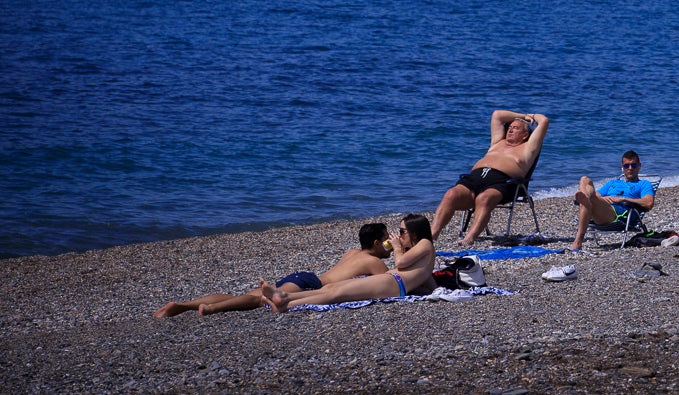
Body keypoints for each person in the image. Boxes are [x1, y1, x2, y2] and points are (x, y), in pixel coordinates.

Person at [152, 223, 392, 318]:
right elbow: (390, 283)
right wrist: (400, 251)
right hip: (310, 285)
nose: (389, 243)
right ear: (375, 244)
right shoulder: (374, 262)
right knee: (259, 301)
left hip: (303, 276)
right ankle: (211, 308)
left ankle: (183, 305)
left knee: (246, 297)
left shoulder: (352, 252)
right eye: (386, 240)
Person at [262, 213, 436, 312]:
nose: (398, 235)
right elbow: (426, 278)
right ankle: (285, 297)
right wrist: (431, 289)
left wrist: (397, 248)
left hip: (393, 283)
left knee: (337, 294)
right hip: (392, 282)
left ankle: (287, 305)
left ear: (414, 233)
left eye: (402, 231)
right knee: (331, 289)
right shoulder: (420, 251)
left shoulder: (425, 243)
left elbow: (402, 262)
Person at [430, 110, 550, 247]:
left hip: (503, 182)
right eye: (509, 128)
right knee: (451, 194)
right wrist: (523, 116)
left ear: (525, 135)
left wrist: (532, 117)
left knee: (484, 198)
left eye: (515, 128)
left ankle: (470, 237)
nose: (510, 130)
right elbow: (497, 115)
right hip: (475, 178)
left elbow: (544, 121)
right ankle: (433, 233)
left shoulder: (528, 148)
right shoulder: (497, 142)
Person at [570, 150, 656, 251]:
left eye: (633, 165)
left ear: (639, 166)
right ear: (622, 167)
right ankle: (586, 201)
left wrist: (623, 199)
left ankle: (578, 241)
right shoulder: (613, 183)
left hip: (618, 215)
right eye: (626, 166)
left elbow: (649, 203)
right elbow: (596, 194)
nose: (630, 168)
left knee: (588, 199)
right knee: (585, 179)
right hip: (602, 208)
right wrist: (602, 199)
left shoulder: (643, 184)